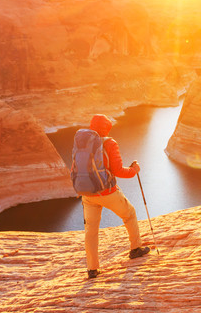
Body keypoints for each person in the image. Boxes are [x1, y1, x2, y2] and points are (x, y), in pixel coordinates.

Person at [76, 114, 150, 279]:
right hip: (107, 192)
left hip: (87, 194)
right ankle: (136, 248)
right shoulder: (109, 143)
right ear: (106, 128)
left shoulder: (82, 142)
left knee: (91, 231)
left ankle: (92, 269)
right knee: (129, 214)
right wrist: (135, 170)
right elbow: (119, 171)